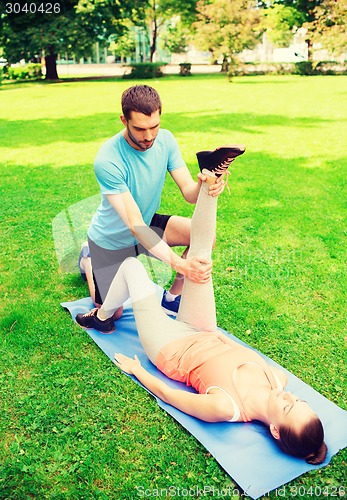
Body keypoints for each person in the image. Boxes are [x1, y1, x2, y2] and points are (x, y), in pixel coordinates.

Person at [75, 150, 327, 464]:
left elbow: (171, 396)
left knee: (130, 267)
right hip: (203, 330)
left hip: (169, 347)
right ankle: (211, 176)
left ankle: (99, 316)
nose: (288, 396)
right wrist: (218, 338)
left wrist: (139, 370)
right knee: (201, 259)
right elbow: (230, 349)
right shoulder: (279, 380)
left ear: (275, 430)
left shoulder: (226, 408)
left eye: (288, 407)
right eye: (298, 401)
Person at [84, 84, 235, 319]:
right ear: (124, 120)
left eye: (154, 126)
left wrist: (208, 183)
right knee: (112, 312)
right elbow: (134, 225)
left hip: (147, 223)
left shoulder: (165, 140)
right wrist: (179, 263)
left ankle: (172, 298)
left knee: (203, 237)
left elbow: (189, 193)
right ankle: (87, 261)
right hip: (111, 240)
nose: (149, 136)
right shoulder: (108, 159)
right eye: (140, 129)